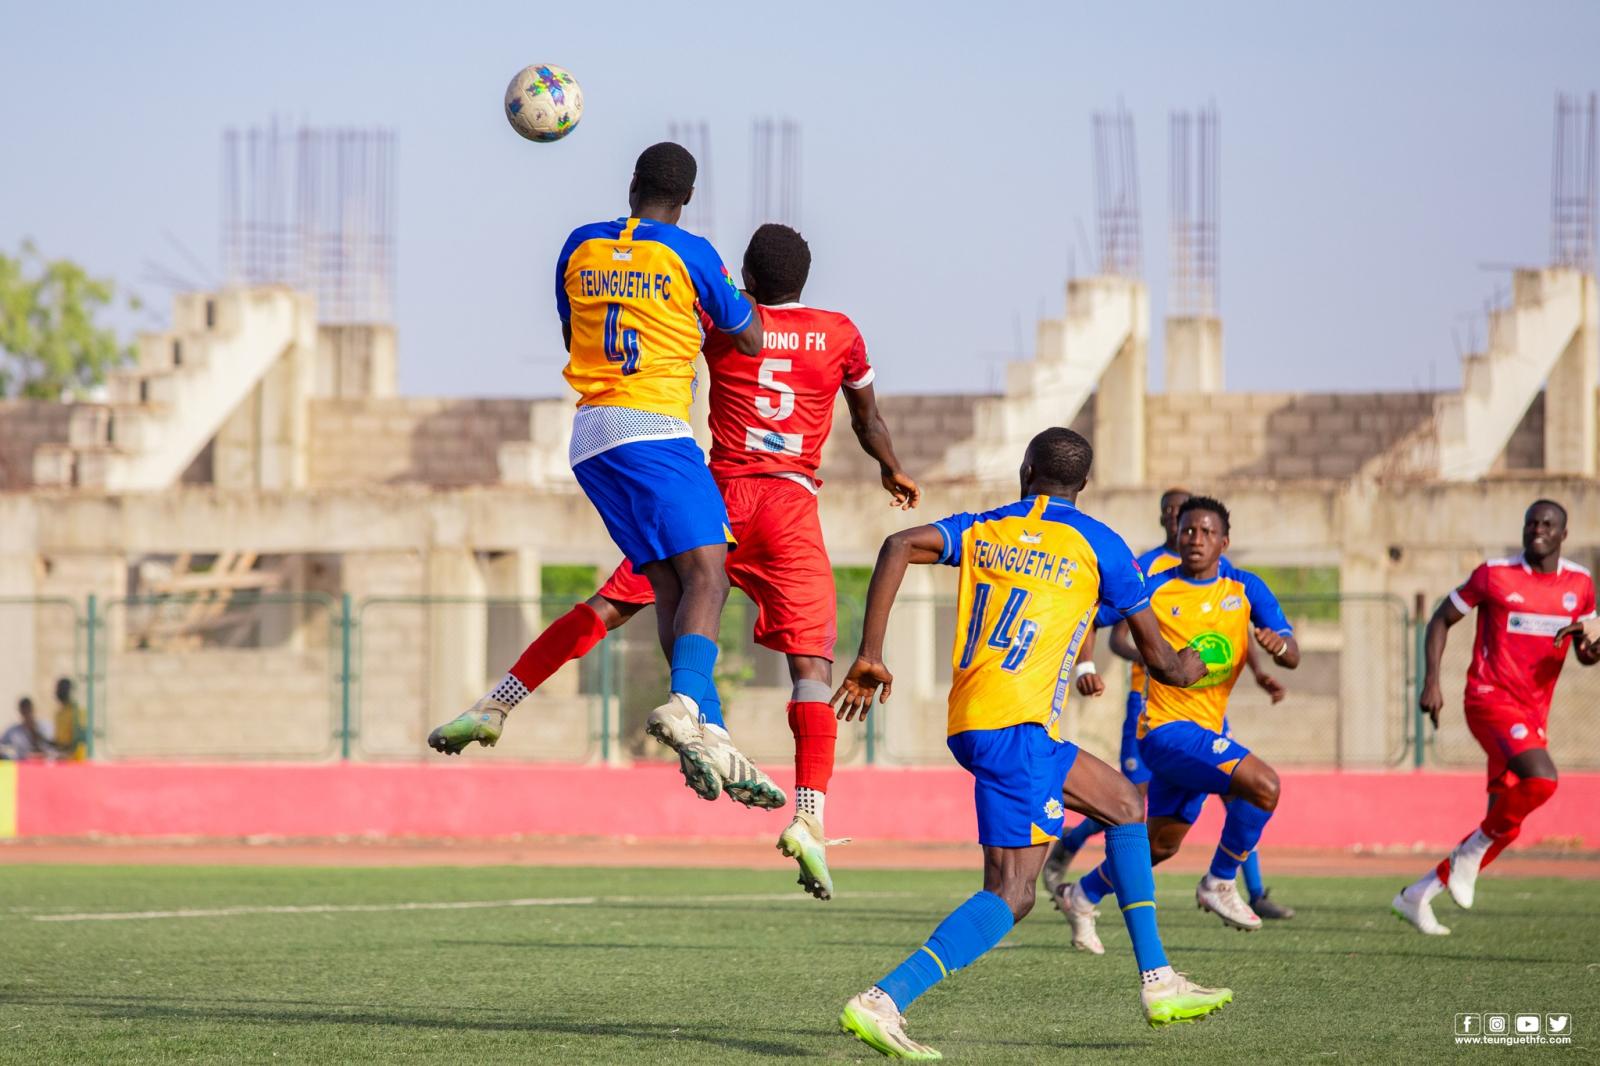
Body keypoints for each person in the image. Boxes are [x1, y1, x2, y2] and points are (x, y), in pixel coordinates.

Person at [431, 224, 921, 897]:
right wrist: (892, 469)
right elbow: (868, 420)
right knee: (811, 668)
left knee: (619, 602)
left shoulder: (722, 322)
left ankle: (501, 701)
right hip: (789, 509)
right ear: (806, 278)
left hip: (712, 496)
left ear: (745, 275)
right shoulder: (839, 332)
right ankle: (809, 815)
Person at [831, 428, 1231, 1060]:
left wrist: (869, 654)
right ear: (1084, 485)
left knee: (1125, 805)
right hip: (1013, 729)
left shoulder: (985, 527)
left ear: (1026, 471)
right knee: (1013, 893)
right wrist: (1195, 665)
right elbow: (1162, 661)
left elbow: (898, 543)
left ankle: (1159, 981)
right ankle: (884, 999)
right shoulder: (1101, 544)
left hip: (988, 720)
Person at [431, 142, 764, 804]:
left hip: (589, 437)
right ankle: (691, 711)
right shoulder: (692, 252)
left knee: (665, 581)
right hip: (655, 430)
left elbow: (570, 335)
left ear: (632, 183)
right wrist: (727, 299)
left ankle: (702, 726)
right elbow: (748, 335)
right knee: (710, 574)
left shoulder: (579, 244)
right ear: (687, 199)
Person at [1059, 496, 1299, 952]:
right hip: (1163, 731)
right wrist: (1085, 666)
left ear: (1224, 542)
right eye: (1189, 531)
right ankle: (1221, 881)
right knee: (1263, 785)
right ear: (1176, 534)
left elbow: (1291, 650)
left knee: (1160, 846)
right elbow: (1092, 613)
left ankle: (1083, 893)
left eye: (1207, 533)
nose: (1196, 540)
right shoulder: (1154, 583)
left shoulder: (1245, 588)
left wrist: (1278, 649)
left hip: (1206, 731)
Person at [1393, 499, 1598, 935]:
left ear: (1563, 534)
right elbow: (1439, 619)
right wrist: (1432, 681)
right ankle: (1468, 855)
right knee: (1542, 779)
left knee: (1506, 825)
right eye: (1531, 523)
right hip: (1487, 699)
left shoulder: (1580, 583)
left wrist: (1593, 649)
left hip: (1532, 713)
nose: (1537, 530)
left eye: (1547, 524)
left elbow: (1584, 651)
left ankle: (1418, 895)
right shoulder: (1495, 574)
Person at [52, 677, 86, 761]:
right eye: (58, 689)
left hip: (75, 761)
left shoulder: (77, 712)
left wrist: (65, 752)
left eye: (63, 689)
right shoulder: (59, 714)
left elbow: (80, 740)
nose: (59, 692)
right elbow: (58, 742)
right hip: (61, 759)